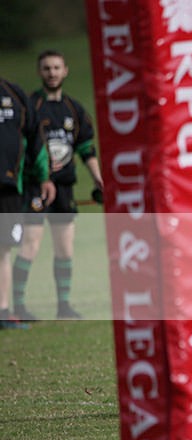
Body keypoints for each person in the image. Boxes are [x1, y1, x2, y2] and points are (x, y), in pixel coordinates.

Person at [13, 50, 103, 320]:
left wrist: (99, 178)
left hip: (64, 188)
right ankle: (18, 305)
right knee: (30, 244)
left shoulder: (74, 110)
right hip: (36, 187)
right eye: (46, 68)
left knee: (65, 248)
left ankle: (63, 305)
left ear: (65, 71)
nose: (51, 73)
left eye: (56, 68)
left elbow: (86, 148)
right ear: (39, 72)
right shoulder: (30, 107)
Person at [0, 77, 54, 329]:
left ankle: (3, 312)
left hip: (8, 187)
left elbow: (35, 139)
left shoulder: (15, 94)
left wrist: (43, 176)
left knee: (3, 250)